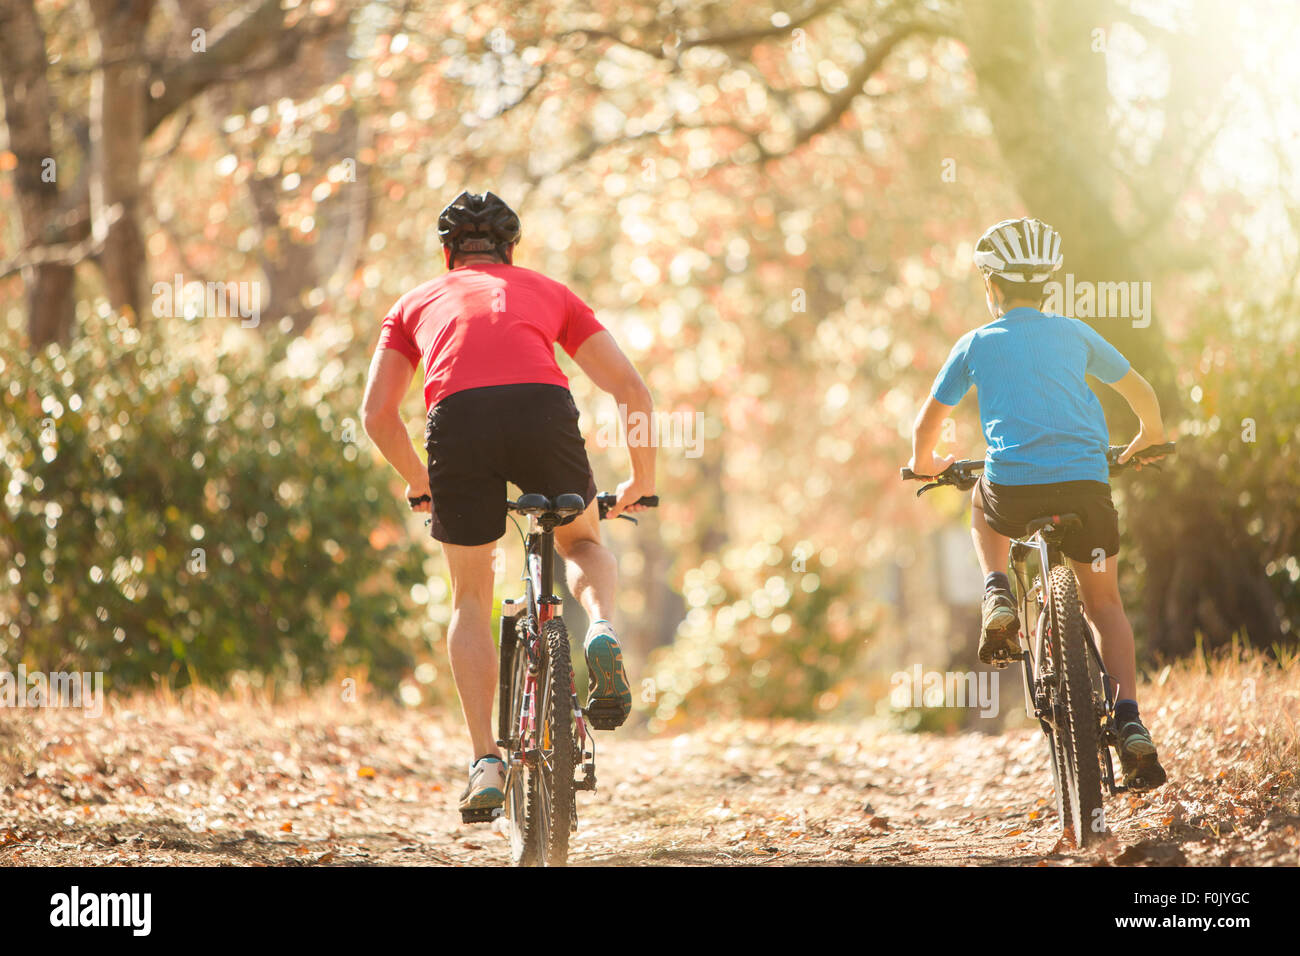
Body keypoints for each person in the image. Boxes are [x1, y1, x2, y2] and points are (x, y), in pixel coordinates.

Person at [361, 190, 656, 816]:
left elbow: (377, 415)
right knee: (582, 543)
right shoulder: (549, 291)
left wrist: (422, 482)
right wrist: (640, 477)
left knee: (471, 597)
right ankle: (600, 627)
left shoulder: (414, 303)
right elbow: (630, 387)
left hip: (457, 420)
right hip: (541, 407)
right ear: (511, 250)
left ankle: (486, 762)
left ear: (447, 254)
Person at [907, 217, 1168, 790]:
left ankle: (997, 589)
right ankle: (1129, 720)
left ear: (992, 287)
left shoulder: (976, 343)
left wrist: (927, 465)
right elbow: (1141, 392)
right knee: (1105, 607)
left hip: (1014, 492)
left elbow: (927, 424)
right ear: (1046, 287)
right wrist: (1146, 438)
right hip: (1087, 491)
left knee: (979, 495)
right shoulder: (1074, 334)